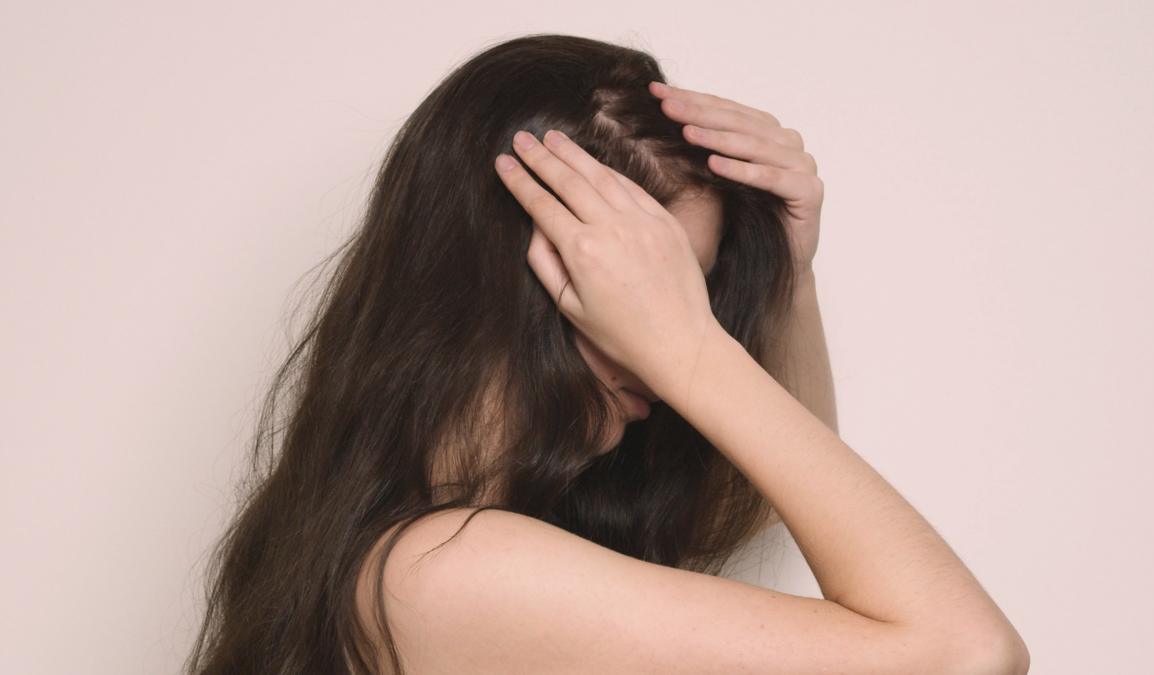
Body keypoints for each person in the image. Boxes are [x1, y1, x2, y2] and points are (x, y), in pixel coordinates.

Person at [186, 33, 1029, 674]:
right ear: (519, 269)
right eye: (655, 279)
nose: (674, 318)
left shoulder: (426, 541)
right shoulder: (443, 571)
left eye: (692, 289)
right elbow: (966, 653)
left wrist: (785, 283)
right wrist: (687, 349)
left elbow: (761, 504)